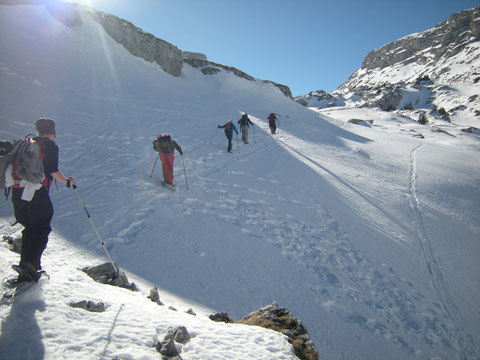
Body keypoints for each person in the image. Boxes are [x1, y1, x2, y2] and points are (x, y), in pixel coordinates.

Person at [11, 117, 75, 282]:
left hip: (17, 191)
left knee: (29, 228)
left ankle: (26, 265)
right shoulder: (49, 146)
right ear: (52, 131)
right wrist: (67, 182)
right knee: (41, 228)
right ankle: (31, 266)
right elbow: (52, 171)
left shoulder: (26, 143)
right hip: (36, 192)